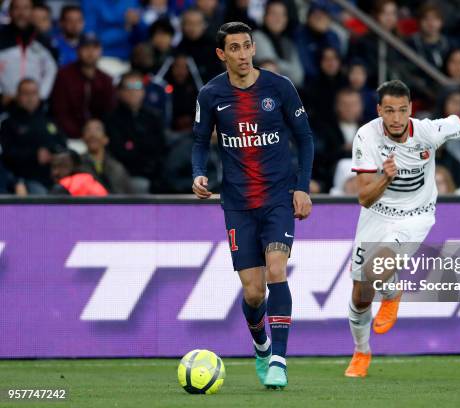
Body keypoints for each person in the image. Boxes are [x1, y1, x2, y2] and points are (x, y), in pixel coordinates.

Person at [344, 80, 460, 378]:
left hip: (416, 216)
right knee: (360, 295)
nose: (396, 118)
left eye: (401, 110)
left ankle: (392, 291)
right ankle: (362, 351)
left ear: (410, 109)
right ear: (378, 111)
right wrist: (385, 178)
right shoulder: (366, 136)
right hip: (377, 214)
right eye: (389, 111)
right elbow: (364, 198)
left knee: (375, 271)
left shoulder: (427, 131)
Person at [191, 22, 314, 389]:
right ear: (221, 54)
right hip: (238, 202)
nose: (243, 55)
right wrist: (198, 174)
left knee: (277, 269)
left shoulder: (280, 88)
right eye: (235, 48)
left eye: (247, 46)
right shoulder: (211, 94)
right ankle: (261, 346)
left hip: (277, 198)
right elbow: (199, 142)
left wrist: (302, 188)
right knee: (253, 291)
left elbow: (305, 139)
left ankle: (278, 359)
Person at [0, 79, 65, 194]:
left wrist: (57, 155)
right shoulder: (9, 123)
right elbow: (7, 155)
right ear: (18, 96)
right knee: (41, 196)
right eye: (26, 93)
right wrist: (34, 155)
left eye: (34, 93)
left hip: (54, 177)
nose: (30, 98)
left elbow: (62, 144)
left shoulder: (49, 121)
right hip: (25, 179)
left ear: (39, 96)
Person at [105, 71, 167, 193]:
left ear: (144, 91)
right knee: (140, 185)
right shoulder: (112, 119)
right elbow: (119, 153)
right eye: (129, 87)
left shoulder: (154, 117)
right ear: (119, 92)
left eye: (138, 87)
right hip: (129, 173)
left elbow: (161, 147)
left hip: (156, 172)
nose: (133, 92)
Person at [51, 33, 116, 140]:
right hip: (69, 137)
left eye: (95, 48)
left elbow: (109, 113)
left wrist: (99, 134)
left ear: (101, 51)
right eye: (86, 47)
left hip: (98, 138)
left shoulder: (106, 79)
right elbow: (60, 112)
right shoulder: (64, 76)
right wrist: (81, 134)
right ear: (78, 51)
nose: (90, 52)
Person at [0, 0, 57, 104]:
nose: (21, 13)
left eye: (26, 8)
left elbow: (51, 70)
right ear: (10, 11)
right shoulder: (1, 38)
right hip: (5, 103)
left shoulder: (43, 40)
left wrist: (41, 96)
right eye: (17, 8)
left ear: (32, 11)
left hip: (35, 106)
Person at [252, 0, 304, 87]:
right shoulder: (256, 36)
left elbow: (298, 76)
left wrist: (279, 66)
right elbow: (269, 68)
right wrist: (288, 69)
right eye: (273, 14)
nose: (278, 18)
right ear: (265, 16)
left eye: (282, 15)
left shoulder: (288, 42)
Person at [80, 119, 133, 194]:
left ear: (106, 139)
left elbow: (128, 196)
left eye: (97, 130)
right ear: (83, 139)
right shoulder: (77, 165)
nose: (92, 134)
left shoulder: (117, 168)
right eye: (88, 130)